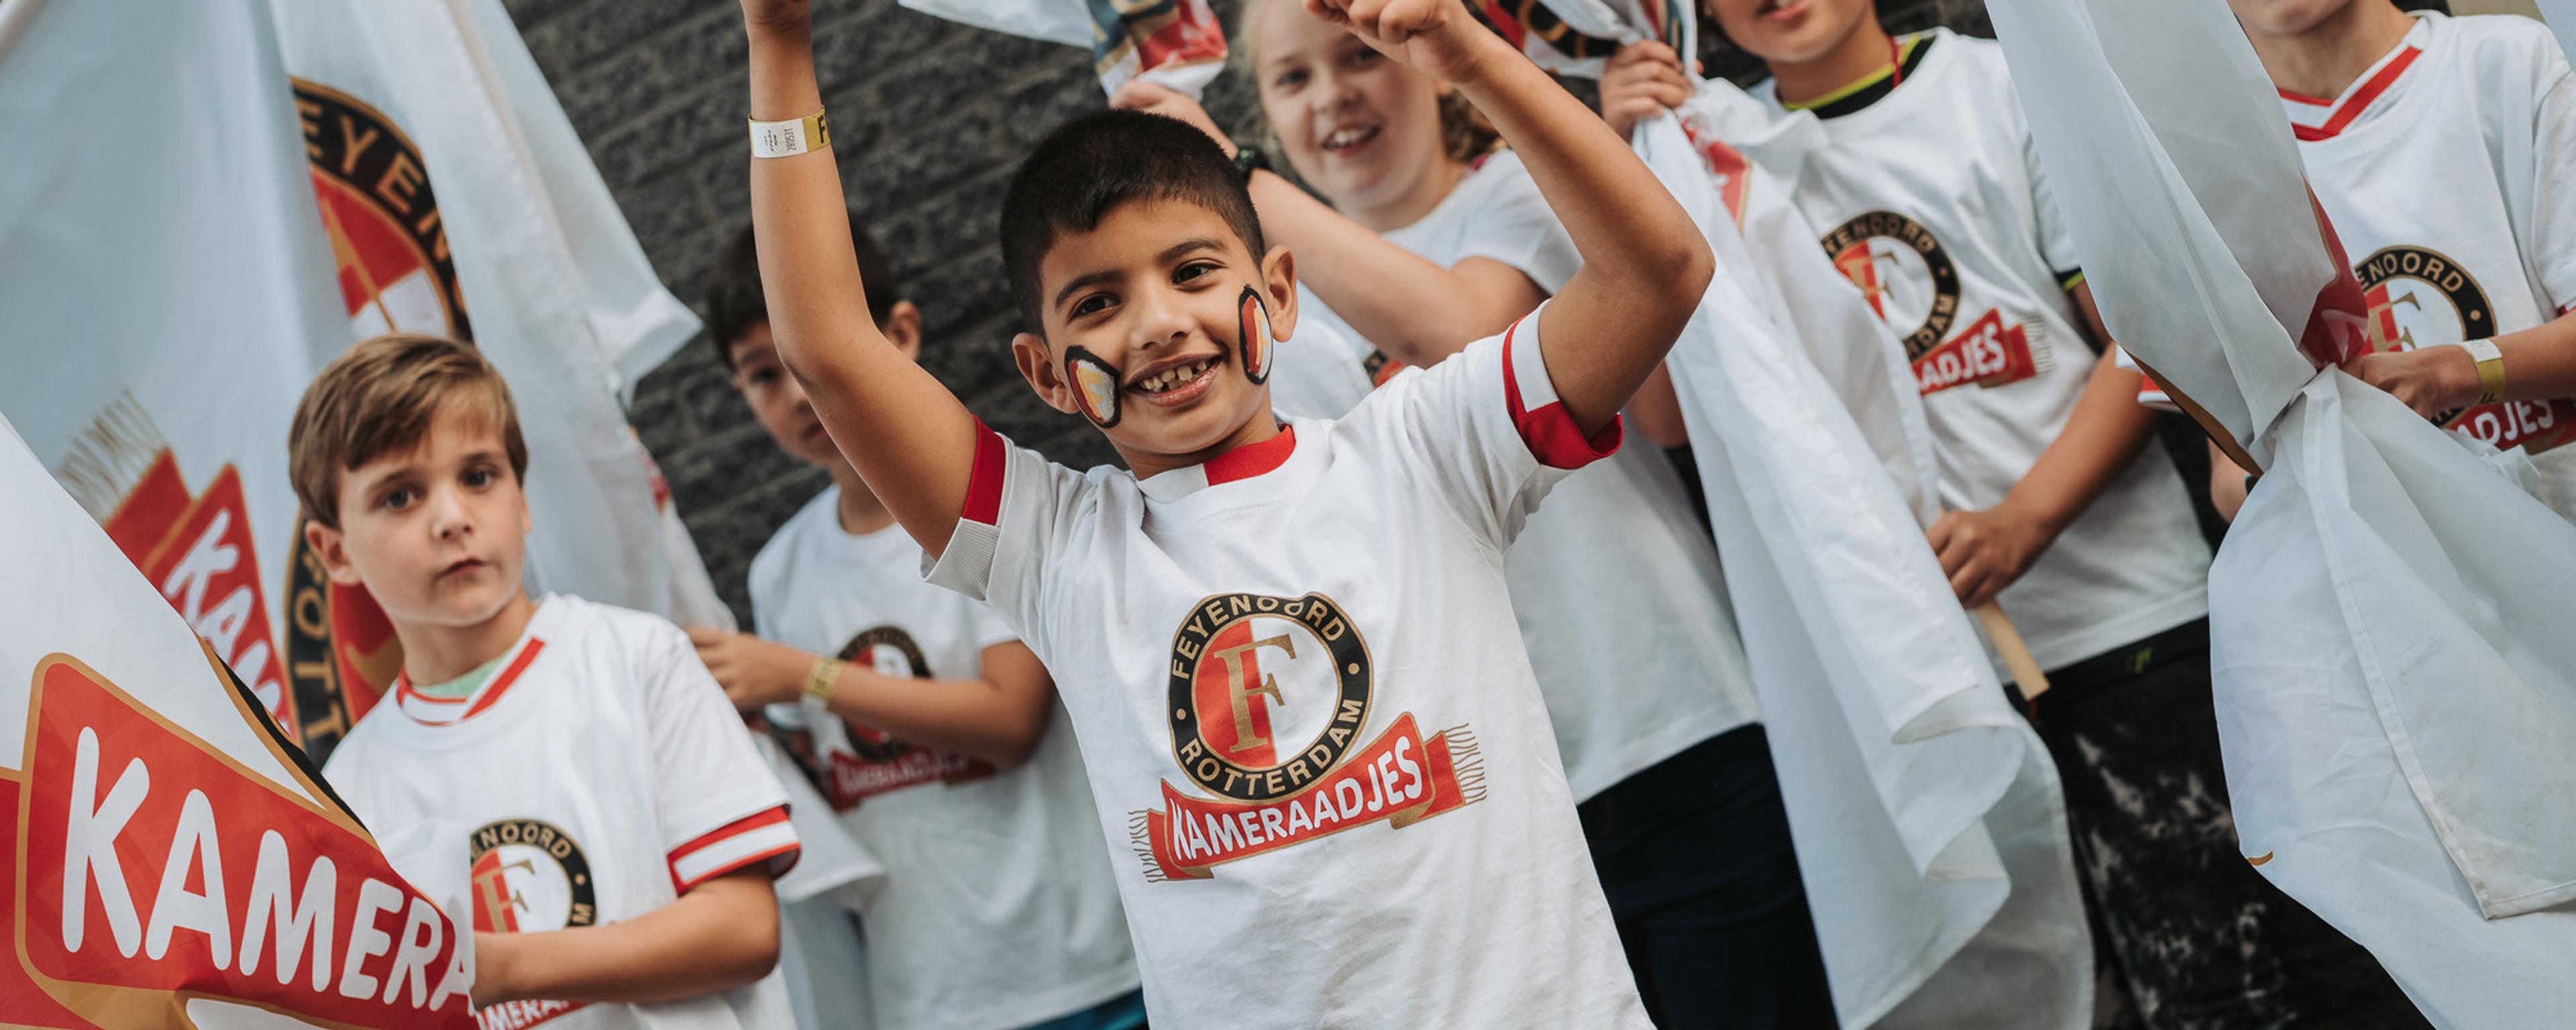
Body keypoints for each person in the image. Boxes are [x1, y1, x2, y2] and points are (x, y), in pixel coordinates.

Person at [735, 0, 1713, 1023]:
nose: (1158, 324)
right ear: (1046, 374)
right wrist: (779, 43)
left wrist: (1472, 57)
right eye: (1097, 304)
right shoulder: (1053, 552)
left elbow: (1661, 272)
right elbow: (831, 351)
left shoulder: (1426, 450)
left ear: (1279, 292)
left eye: (1194, 272)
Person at [1109, 3, 1830, 1025]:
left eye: (1357, 56)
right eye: (1294, 79)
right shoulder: (1258, 301)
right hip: (1472, 794)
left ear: (1426, 62)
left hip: (1665, 725)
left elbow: (1466, 332)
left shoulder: (1521, 196)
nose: (1334, 96)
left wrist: (1238, 176)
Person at [1601, 4, 2279, 1027]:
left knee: (2219, 996)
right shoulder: (1705, 151)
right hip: (1916, 683)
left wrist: (2024, 519)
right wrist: (1618, 167)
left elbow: (2141, 334)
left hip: (2122, 626)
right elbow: (1665, 415)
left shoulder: (1999, 88)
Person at [688, 214, 1146, 1030]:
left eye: (806, 358)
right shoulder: (781, 569)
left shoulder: (994, 509)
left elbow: (1009, 721)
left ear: (898, 333)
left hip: (1083, 965)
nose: (797, 392)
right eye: (764, 373)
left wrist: (802, 677)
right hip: (927, 992)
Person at [294, 334, 800, 1027]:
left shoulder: (638, 658)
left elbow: (744, 930)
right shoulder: (351, 787)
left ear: (523, 502)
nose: (452, 519)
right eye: (401, 495)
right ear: (334, 551)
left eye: (478, 476)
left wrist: (503, 967)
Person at [2212, 0, 2576, 523]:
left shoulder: (2513, 62)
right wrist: (2299, 480)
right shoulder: (2214, 163)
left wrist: (2450, 372)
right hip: (2407, 584)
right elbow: (2229, 471)